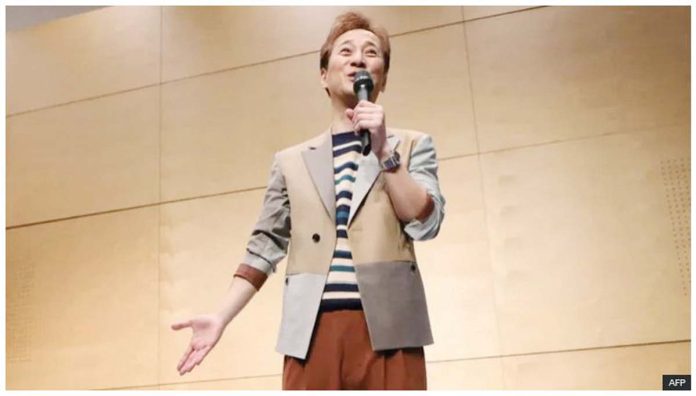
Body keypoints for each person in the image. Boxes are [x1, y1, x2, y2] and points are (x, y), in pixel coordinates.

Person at [171, 11, 445, 390]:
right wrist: (221, 317)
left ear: (382, 76)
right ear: (323, 75)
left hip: (393, 326)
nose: (359, 59)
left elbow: (425, 221)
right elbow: (263, 247)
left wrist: (385, 153)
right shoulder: (291, 161)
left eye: (372, 52)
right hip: (312, 330)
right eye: (345, 51)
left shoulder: (413, 145)